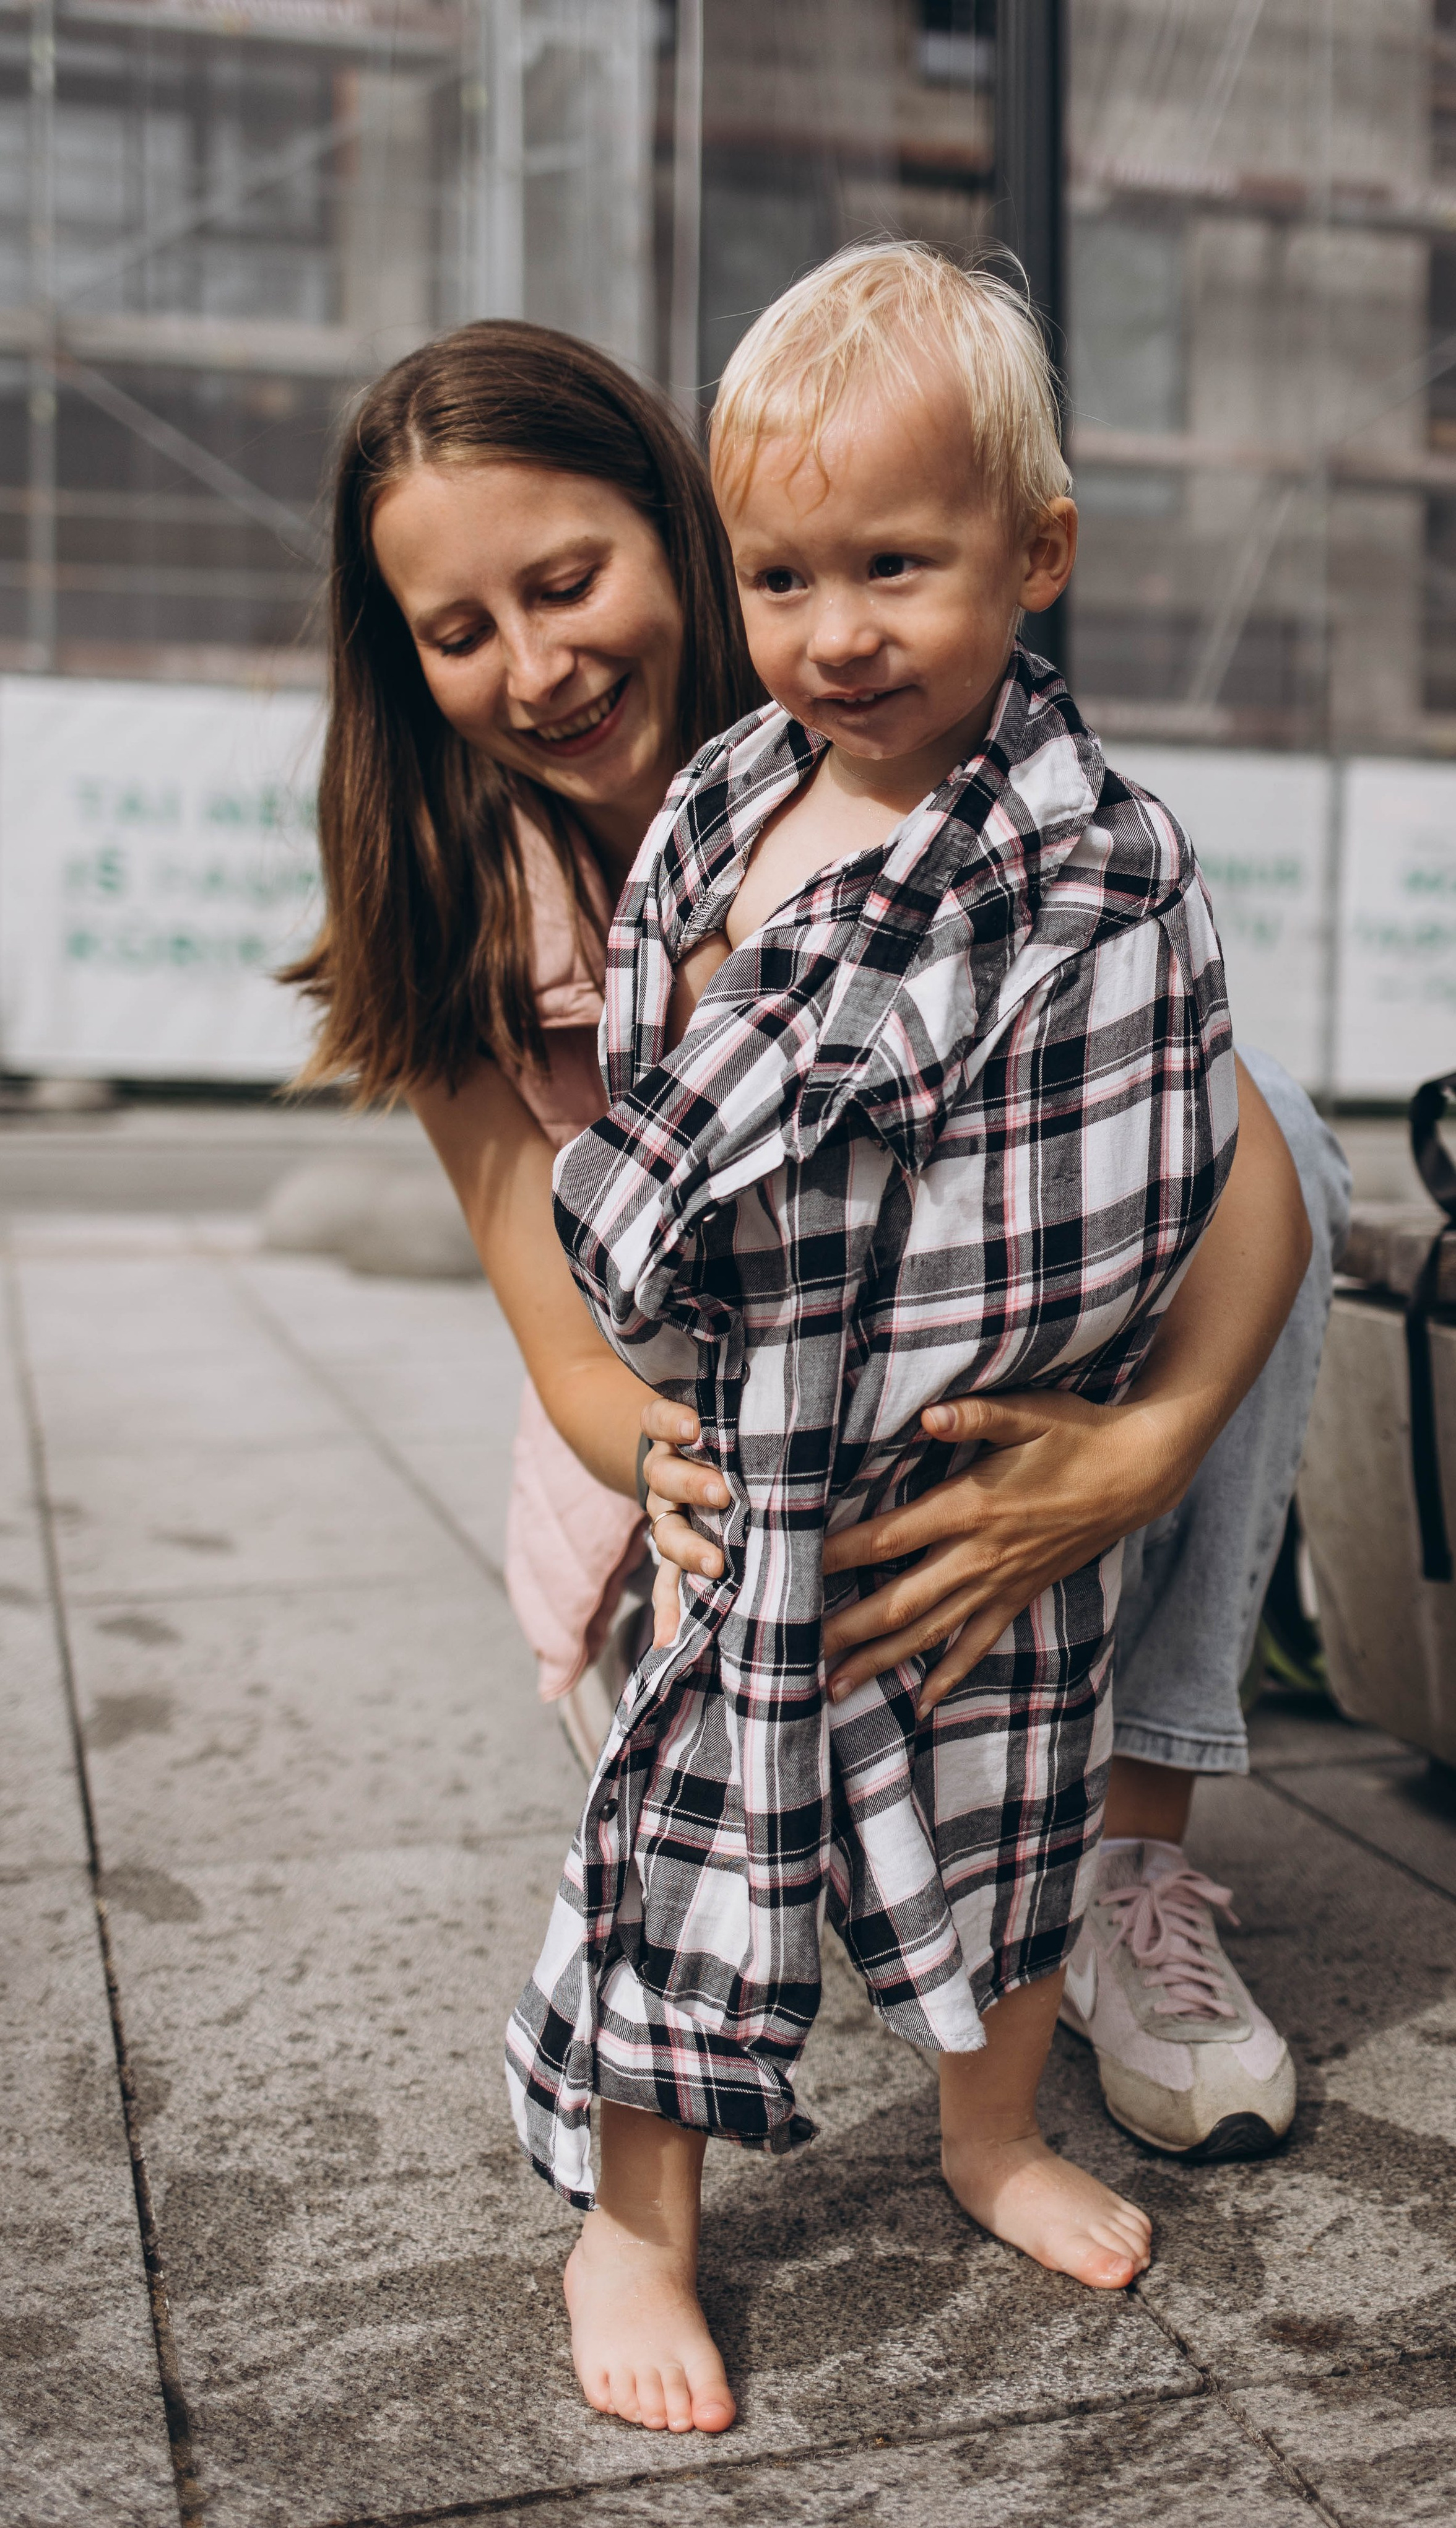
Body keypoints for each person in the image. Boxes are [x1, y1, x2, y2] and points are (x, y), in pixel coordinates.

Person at [287, 311, 1340, 2192]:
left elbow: (1234, 1158)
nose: (535, 667)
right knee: (754, 1745)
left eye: (567, 581)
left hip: (951, 1398)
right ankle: (738, 2037)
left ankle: (1122, 1853)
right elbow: (569, 1338)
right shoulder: (466, 909)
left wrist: (1130, 1455)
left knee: (1284, 1149)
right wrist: (693, 1483)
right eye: (461, 632)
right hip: (692, 1466)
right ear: (405, 659)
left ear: (678, 528)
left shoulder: (877, 724)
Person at [507, 238, 1250, 2434]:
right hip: (764, 1441)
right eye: (784, 576)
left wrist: (1106, 1392)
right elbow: (648, 1106)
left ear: (1039, 555)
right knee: (690, 1827)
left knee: (1017, 1824)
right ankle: (633, 2222)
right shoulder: (727, 815)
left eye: (899, 568)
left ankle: (988, 2127)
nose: (837, 633)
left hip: (977, 1449)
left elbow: (1174, 1116)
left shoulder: (1084, 851)